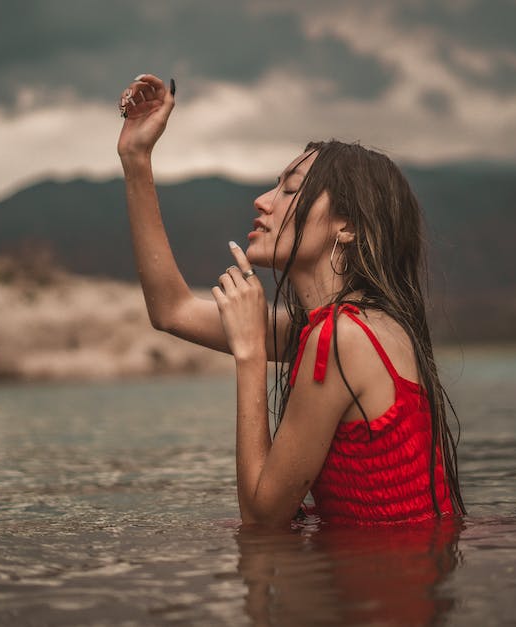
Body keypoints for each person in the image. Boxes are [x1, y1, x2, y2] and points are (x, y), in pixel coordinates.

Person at [117, 73, 465, 527]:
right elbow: (171, 311)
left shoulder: (343, 338)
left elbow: (263, 516)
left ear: (348, 225)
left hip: (386, 590)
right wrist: (136, 157)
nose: (262, 201)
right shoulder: (346, 326)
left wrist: (249, 354)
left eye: (288, 188)